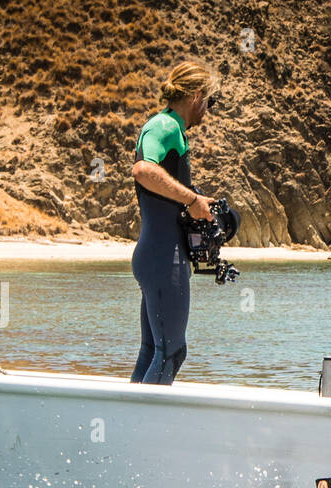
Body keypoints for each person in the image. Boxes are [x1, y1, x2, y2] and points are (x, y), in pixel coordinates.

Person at [130, 62, 220, 385]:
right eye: (209, 102)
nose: (208, 111)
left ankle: (130, 425)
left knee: (153, 349)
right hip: (161, 257)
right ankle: (146, 429)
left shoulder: (174, 131)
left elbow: (164, 191)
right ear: (196, 96)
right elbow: (143, 170)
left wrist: (198, 202)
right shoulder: (164, 126)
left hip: (159, 254)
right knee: (172, 351)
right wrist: (191, 200)